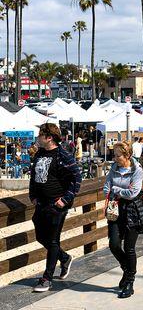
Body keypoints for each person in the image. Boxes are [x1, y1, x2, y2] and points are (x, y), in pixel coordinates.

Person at [29, 123, 82, 292]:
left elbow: (77, 177)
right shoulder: (39, 153)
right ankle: (64, 257)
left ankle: (47, 278)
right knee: (40, 237)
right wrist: (33, 196)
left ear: (49, 137)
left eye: (40, 134)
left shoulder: (63, 155)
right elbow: (34, 175)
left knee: (52, 241)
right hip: (41, 204)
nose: (38, 137)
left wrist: (65, 199)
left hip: (56, 204)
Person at [103, 141, 143, 299]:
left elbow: (133, 192)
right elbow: (106, 187)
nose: (115, 157)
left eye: (118, 155)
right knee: (113, 244)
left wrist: (116, 190)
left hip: (132, 212)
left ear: (127, 156)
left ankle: (129, 282)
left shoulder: (137, 170)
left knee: (129, 248)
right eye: (115, 154)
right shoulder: (113, 168)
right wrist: (118, 191)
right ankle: (127, 269)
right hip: (115, 211)